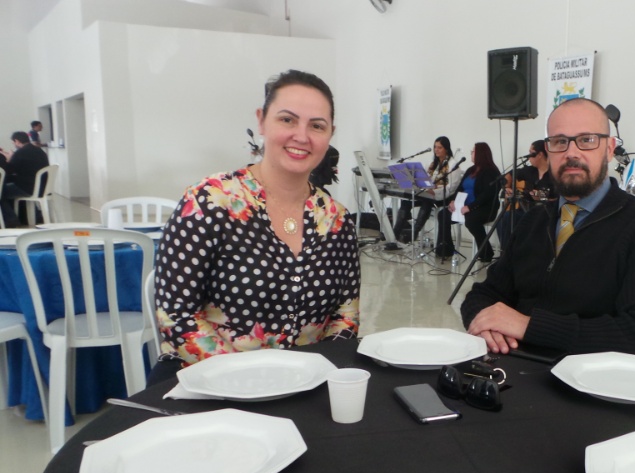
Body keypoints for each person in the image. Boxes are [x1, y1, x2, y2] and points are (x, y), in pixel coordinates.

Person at [151, 69, 360, 381]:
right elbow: (176, 312)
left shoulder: (337, 220)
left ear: (330, 134)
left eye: (317, 126)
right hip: (209, 381)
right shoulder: (209, 202)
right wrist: (247, 378)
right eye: (287, 119)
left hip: (306, 385)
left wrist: (317, 373)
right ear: (262, 121)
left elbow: (346, 314)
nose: (301, 136)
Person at [460, 98, 635, 358]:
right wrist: (488, 327)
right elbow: (483, 294)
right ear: (548, 150)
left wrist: (530, 327)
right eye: (559, 141)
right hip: (515, 370)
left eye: (587, 140)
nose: (571, 153)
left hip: (591, 386)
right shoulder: (533, 222)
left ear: (610, 149)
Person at [435, 142, 501, 261]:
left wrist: (470, 207)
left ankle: (486, 253)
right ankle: (446, 250)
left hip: (484, 208)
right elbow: (460, 187)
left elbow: (487, 195)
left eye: (473, 151)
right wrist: (453, 201)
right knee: (443, 214)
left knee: (471, 220)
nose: (471, 154)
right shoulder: (471, 170)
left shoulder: (491, 172)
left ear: (480, 154)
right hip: (464, 206)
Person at [392, 136, 463, 243]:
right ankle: (395, 234)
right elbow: (425, 179)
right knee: (406, 200)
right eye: (435, 147)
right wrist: (420, 185)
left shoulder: (453, 165)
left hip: (444, 197)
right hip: (428, 193)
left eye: (440, 148)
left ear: (446, 149)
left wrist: (433, 192)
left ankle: (414, 232)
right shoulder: (433, 164)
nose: (436, 150)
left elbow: (450, 189)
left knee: (427, 201)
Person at [497, 139, 556, 249]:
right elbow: (508, 176)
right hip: (524, 209)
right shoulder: (530, 171)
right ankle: (507, 251)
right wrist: (507, 188)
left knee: (510, 218)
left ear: (540, 155)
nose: (528, 156)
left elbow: (556, 197)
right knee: (503, 219)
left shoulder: (554, 174)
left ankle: (510, 252)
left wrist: (542, 197)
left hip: (544, 213)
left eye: (531, 152)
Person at [0, 131, 50, 227]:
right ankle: (37, 216)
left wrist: (9, 158)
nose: (14, 145)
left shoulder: (20, 153)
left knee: (1, 190)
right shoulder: (39, 151)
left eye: (14, 143)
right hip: (42, 187)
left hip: (28, 188)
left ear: (17, 141)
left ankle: (11, 220)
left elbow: (9, 170)